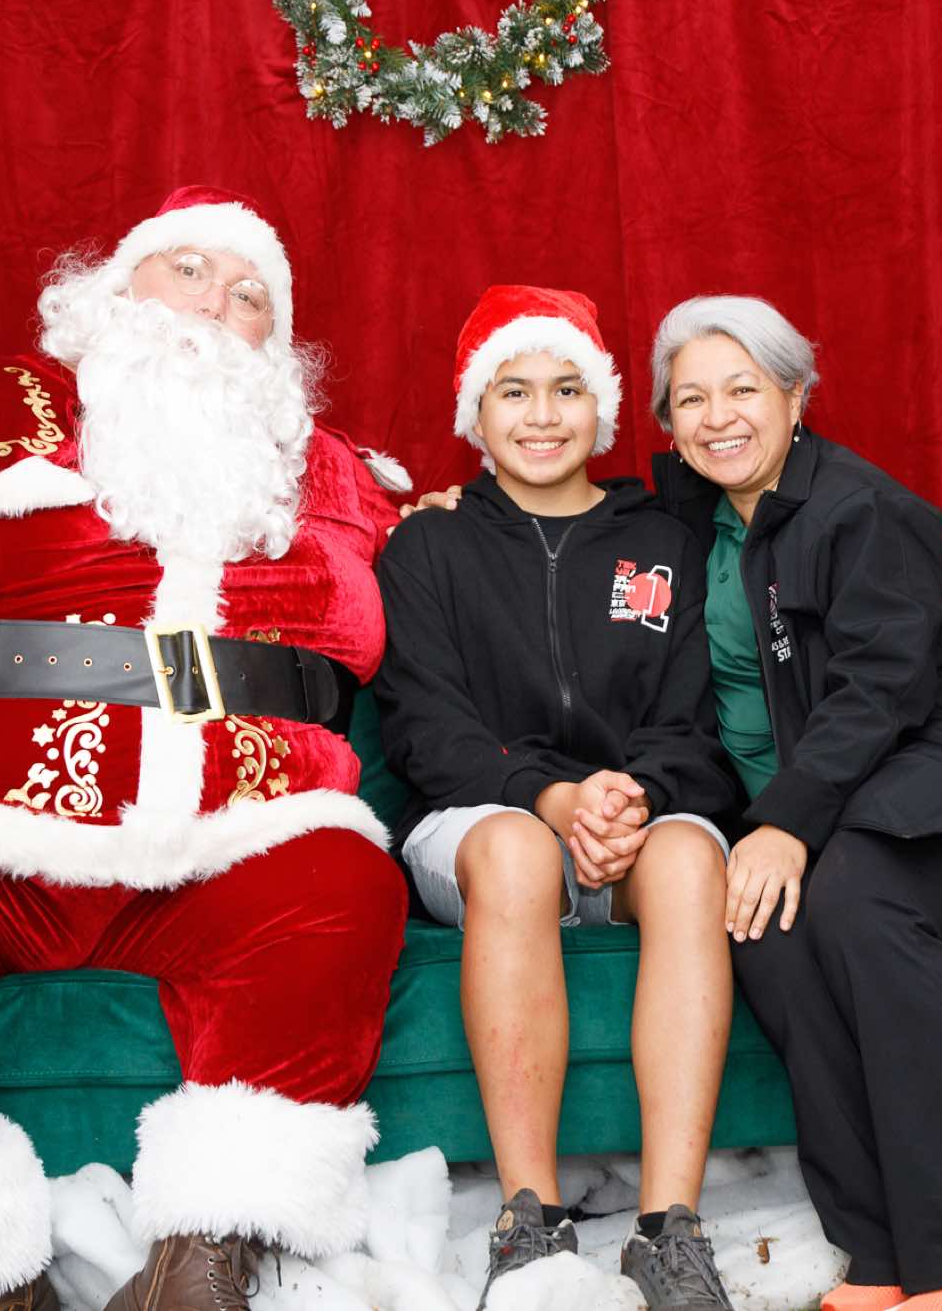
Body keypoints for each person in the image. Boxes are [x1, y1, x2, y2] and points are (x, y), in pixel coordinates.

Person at [0, 187, 414, 1311]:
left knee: (342, 879)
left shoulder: (322, 473)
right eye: (188, 269)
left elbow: (431, 579)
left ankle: (207, 1252)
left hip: (232, 836)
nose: (217, 302)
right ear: (113, 288)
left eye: (251, 295)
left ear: (275, 345)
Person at [647, 296, 942, 1311]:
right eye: (690, 400)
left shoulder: (864, 510)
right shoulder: (688, 514)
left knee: (851, 902)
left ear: (796, 395)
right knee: (765, 932)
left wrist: (783, 824)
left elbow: (880, 688)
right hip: (840, 794)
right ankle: (877, 1252)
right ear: (668, 423)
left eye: (743, 389)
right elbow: (578, 522)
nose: (716, 417)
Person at [374, 285, 740, 1311]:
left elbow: (691, 718)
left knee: (688, 859)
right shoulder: (427, 548)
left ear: (604, 408)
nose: (542, 415)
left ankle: (670, 1230)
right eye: (514, 391)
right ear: (474, 414)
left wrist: (630, 800)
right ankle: (527, 1218)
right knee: (518, 852)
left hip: (630, 820)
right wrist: (549, 797)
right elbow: (426, 728)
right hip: (485, 823)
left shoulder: (666, 539)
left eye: (568, 389)